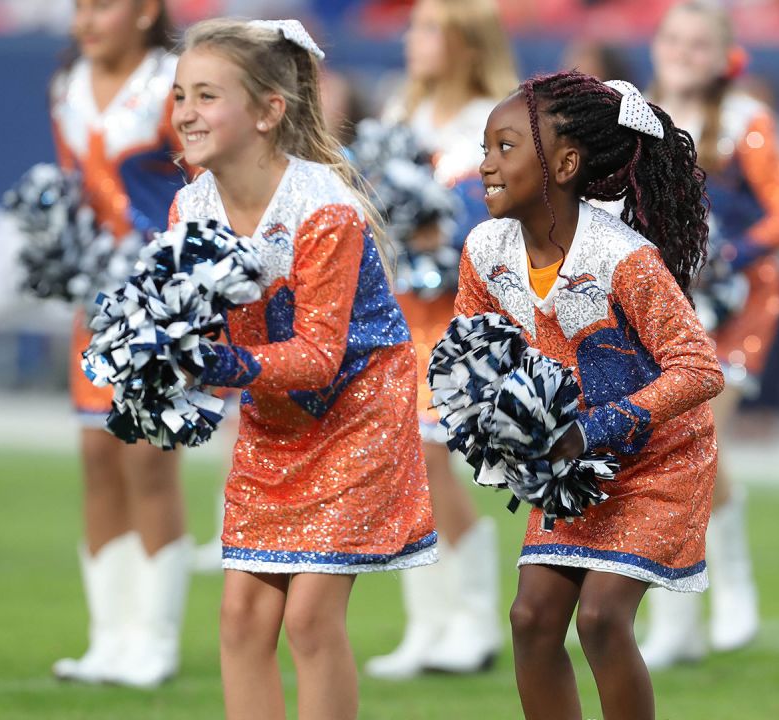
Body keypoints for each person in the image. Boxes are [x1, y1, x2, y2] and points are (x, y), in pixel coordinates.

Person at [168, 18, 436, 719]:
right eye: (178, 96)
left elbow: (319, 356)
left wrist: (213, 361)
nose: (186, 113)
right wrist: (156, 358)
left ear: (267, 111)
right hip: (274, 416)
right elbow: (189, 326)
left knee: (310, 618)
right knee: (241, 618)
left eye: (206, 95)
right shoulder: (189, 207)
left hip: (357, 411)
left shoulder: (322, 207)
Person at [456, 70, 722, 720]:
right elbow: (472, 352)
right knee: (531, 618)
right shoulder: (484, 250)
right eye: (486, 146)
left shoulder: (621, 257)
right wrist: (493, 421)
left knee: (602, 618)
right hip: (575, 467)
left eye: (506, 147)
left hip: (658, 460)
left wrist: (600, 426)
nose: (486, 164)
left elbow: (699, 369)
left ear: (566, 163)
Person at [640, 0, 779, 666]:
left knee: (694, 439)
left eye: (698, 43)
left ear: (722, 56)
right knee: (662, 451)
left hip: (734, 305)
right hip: (658, 304)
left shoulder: (745, 120)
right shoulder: (630, 113)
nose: (683, 51)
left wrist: (731, 252)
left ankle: (732, 584)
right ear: (656, 43)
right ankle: (677, 623)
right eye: (673, 39)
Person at [368, 0, 519, 679]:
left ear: (466, 43)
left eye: (430, 29)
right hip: (398, 313)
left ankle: (476, 619)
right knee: (405, 466)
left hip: (464, 313)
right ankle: (428, 625)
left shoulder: (499, 120)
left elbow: (519, 219)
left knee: (433, 461)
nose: (414, 41)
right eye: (413, 28)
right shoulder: (399, 113)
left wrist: (445, 230)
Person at [49, 0, 191, 688]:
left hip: (164, 300)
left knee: (148, 464)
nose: (86, 19)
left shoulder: (176, 80)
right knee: (96, 456)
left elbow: (208, 178)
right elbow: (76, 189)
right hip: (96, 299)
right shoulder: (67, 83)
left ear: (143, 11)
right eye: (78, 7)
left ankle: (153, 639)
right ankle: (108, 638)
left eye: (101, 6)